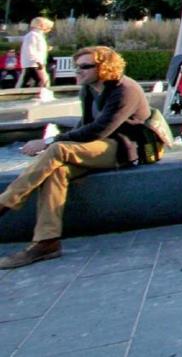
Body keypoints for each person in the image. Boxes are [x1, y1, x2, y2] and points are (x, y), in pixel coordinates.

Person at [0, 46, 160, 269]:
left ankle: (6, 201)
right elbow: (84, 125)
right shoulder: (89, 89)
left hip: (127, 148)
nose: (78, 71)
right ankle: (47, 242)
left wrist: (47, 142)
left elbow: (99, 130)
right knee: (56, 170)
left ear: (105, 67)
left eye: (85, 66)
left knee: (57, 150)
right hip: (99, 147)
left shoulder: (125, 89)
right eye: (77, 66)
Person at [20, 17, 53, 89]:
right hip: (33, 64)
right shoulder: (33, 35)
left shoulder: (38, 36)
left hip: (36, 63)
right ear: (41, 25)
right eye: (48, 27)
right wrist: (38, 62)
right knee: (43, 81)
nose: (49, 29)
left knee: (42, 81)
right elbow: (30, 50)